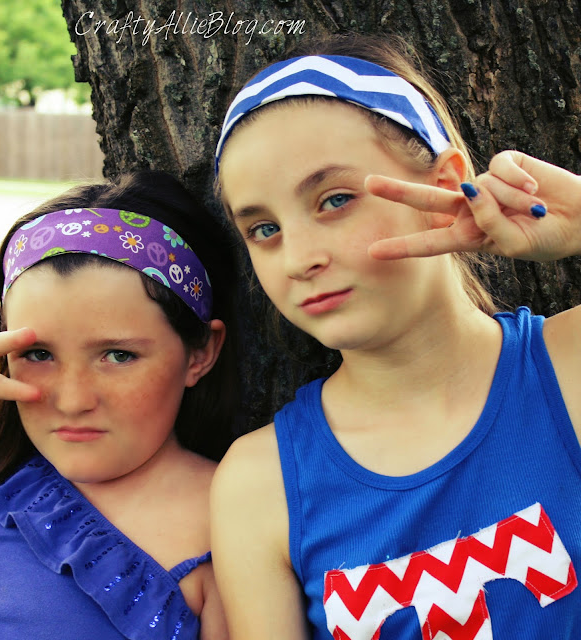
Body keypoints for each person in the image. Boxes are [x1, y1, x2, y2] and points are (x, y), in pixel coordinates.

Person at [210, 33, 581, 639]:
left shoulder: (568, 369)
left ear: (443, 189)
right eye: (264, 229)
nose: (298, 257)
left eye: (333, 200)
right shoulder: (260, 485)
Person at [0, 169, 238, 639]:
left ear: (200, 352)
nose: (73, 400)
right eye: (38, 354)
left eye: (119, 356)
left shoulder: (236, 524)